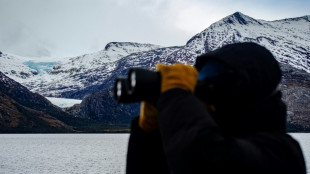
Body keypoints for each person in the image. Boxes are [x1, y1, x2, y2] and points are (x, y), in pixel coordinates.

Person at [126, 42, 306, 174]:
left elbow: (208, 162)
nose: (202, 84)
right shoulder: (209, 139)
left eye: (212, 76)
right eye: (200, 76)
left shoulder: (281, 152)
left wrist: (176, 95)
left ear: (245, 87)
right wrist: (151, 135)